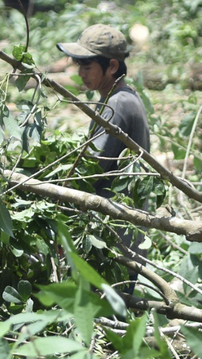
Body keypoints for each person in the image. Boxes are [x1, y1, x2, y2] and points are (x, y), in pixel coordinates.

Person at [57, 24, 151, 290]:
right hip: (118, 226)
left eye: (87, 67)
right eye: (80, 66)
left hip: (114, 231)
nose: (81, 73)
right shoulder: (119, 96)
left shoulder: (118, 104)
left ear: (111, 66)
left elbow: (91, 168)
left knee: (107, 313)